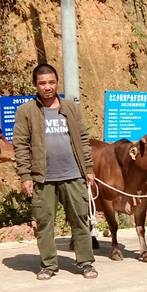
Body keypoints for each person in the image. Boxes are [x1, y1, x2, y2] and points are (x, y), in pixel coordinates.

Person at [12, 63, 98, 280]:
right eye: (42, 83)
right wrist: (25, 176)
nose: (47, 87)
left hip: (73, 174)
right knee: (44, 223)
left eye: (51, 82)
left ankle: (86, 263)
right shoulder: (26, 111)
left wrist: (88, 169)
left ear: (57, 82)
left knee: (80, 219)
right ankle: (48, 265)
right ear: (35, 85)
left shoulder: (70, 108)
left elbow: (83, 140)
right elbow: (20, 145)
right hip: (43, 178)